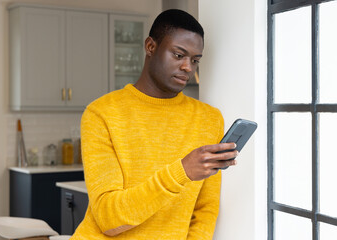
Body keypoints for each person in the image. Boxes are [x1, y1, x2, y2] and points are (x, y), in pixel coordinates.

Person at [71, 9, 238, 240]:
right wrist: (182, 172)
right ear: (150, 47)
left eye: (195, 60)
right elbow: (109, 219)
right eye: (179, 55)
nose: (188, 67)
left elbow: (205, 210)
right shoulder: (101, 113)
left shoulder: (209, 119)